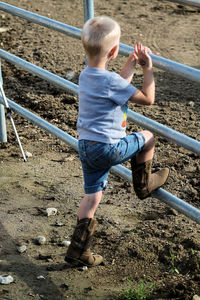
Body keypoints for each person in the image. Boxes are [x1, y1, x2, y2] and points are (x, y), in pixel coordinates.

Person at [65, 16, 169, 267]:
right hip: (108, 148)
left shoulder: (86, 76)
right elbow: (147, 98)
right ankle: (144, 184)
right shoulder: (110, 81)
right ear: (113, 51)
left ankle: (78, 250)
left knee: (93, 197)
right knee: (148, 137)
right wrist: (147, 68)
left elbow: (117, 85)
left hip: (86, 147)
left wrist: (131, 62)